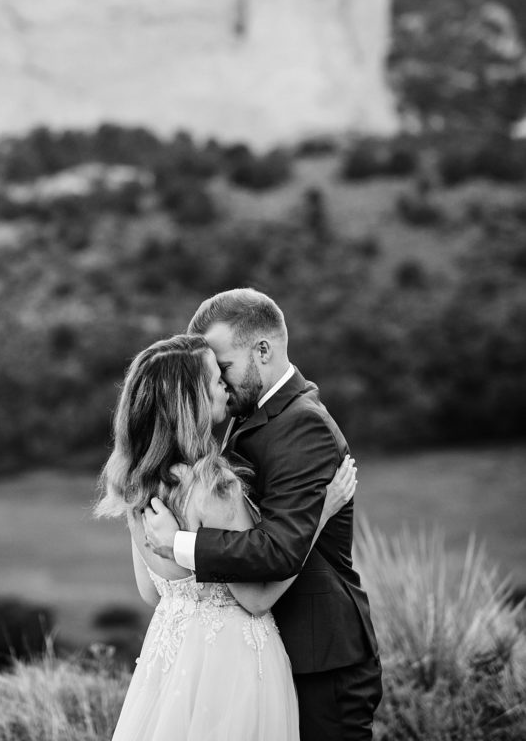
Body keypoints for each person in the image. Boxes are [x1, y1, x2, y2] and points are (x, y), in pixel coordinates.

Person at [143, 289, 382, 741]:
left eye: (223, 368)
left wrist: (177, 543)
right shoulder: (244, 412)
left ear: (263, 350)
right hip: (262, 652)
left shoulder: (303, 424)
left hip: (321, 659)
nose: (218, 382)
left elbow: (278, 549)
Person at [96, 333, 357, 741]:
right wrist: (318, 517)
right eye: (216, 379)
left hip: (173, 659)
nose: (225, 386)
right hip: (234, 665)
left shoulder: (135, 484)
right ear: (193, 400)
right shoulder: (214, 487)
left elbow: (151, 592)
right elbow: (256, 599)